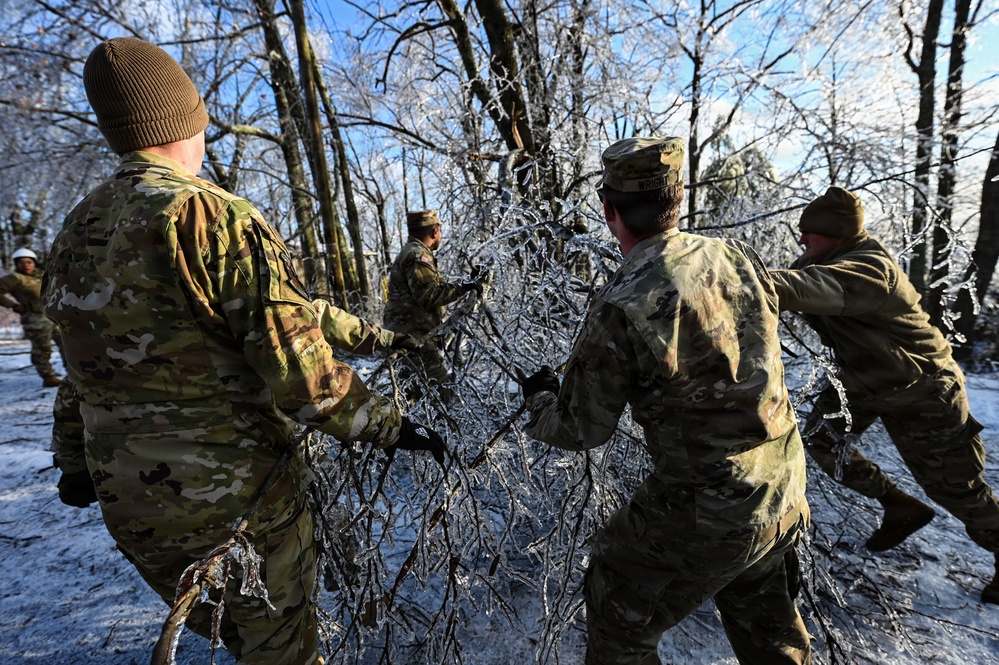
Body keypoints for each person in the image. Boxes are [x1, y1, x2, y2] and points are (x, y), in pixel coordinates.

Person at [43, 37, 445, 665]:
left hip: (131, 508)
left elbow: (84, 368)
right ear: (186, 122)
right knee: (278, 651)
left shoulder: (73, 231)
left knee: (234, 636)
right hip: (237, 504)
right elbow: (303, 376)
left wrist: (72, 460)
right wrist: (390, 427)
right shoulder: (210, 216)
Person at [520, 136, 812, 665]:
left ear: (608, 210)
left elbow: (580, 430)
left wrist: (539, 402)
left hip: (709, 508)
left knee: (616, 609)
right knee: (770, 631)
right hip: (783, 485)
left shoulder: (623, 302)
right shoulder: (736, 256)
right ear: (678, 198)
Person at [768, 186, 999, 604]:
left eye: (809, 232)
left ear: (835, 233)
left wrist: (737, 274)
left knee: (956, 487)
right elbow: (786, 287)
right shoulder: (820, 261)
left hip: (922, 387)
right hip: (863, 381)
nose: (801, 239)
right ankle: (898, 505)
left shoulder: (870, 268)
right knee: (823, 441)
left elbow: (807, 287)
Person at [383, 209, 483, 401]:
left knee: (413, 398)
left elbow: (427, 289)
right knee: (439, 394)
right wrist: (464, 287)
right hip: (415, 341)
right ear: (434, 232)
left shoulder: (410, 252)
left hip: (407, 339)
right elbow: (429, 296)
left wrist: (466, 283)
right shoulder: (418, 255)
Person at [0, 247, 61, 387]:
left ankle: (72, 374)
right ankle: (48, 377)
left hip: (53, 317)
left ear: (34, 263)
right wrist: (13, 305)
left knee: (65, 345)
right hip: (35, 320)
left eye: (29, 262)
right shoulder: (16, 278)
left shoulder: (39, 276)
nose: (26, 265)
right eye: (21, 262)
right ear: (16, 264)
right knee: (42, 349)